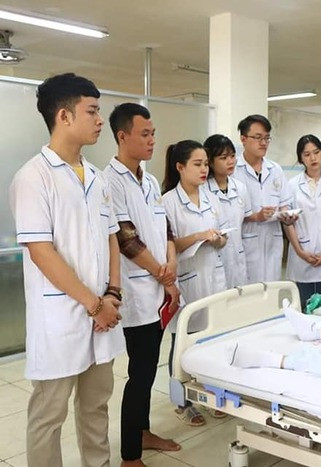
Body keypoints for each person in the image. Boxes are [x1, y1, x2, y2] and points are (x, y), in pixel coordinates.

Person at [9, 73, 124, 467]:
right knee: (49, 414)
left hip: (102, 314)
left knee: (96, 406)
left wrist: (113, 293)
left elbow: (111, 238)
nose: (100, 120)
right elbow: (42, 252)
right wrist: (94, 305)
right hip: (62, 318)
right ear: (64, 115)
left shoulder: (97, 178)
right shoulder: (33, 177)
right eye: (92, 111)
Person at [105, 103, 182, 466]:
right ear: (123, 136)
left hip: (157, 286)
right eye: (145, 134)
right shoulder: (110, 181)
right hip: (136, 291)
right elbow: (125, 238)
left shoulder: (149, 182)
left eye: (154, 134)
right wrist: (161, 273)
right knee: (140, 373)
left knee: (149, 369)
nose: (152, 141)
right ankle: (129, 455)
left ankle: (143, 431)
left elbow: (165, 228)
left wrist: (170, 268)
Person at [162, 140, 228, 426]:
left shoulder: (211, 197)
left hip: (214, 274)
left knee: (212, 339)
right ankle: (182, 402)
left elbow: (223, 237)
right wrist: (200, 236)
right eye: (198, 164)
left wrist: (219, 239)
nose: (204, 170)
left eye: (206, 164)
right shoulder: (168, 202)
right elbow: (169, 244)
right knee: (182, 343)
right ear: (180, 167)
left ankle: (210, 393)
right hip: (187, 279)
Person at [232, 114, 294, 282]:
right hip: (246, 243)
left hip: (273, 242)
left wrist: (287, 216)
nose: (263, 143)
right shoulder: (234, 171)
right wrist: (256, 217)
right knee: (249, 291)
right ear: (243, 139)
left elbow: (284, 203)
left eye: (267, 138)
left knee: (272, 290)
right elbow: (229, 215)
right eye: (258, 137)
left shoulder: (275, 169)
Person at [284, 135, 321, 307]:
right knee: (305, 305)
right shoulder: (292, 185)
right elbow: (288, 222)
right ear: (300, 158)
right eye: (307, 154)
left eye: (316, 152)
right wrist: (299, 251)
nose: (313, 158)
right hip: (302, 252)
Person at [204, 134, 252, 287]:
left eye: (232, 156)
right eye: (223, 158)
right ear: (210, 161)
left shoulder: (240, 188)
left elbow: (243, 222)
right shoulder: (203, 190)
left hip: (238, 256)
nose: (230, 161)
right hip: (214, 257)